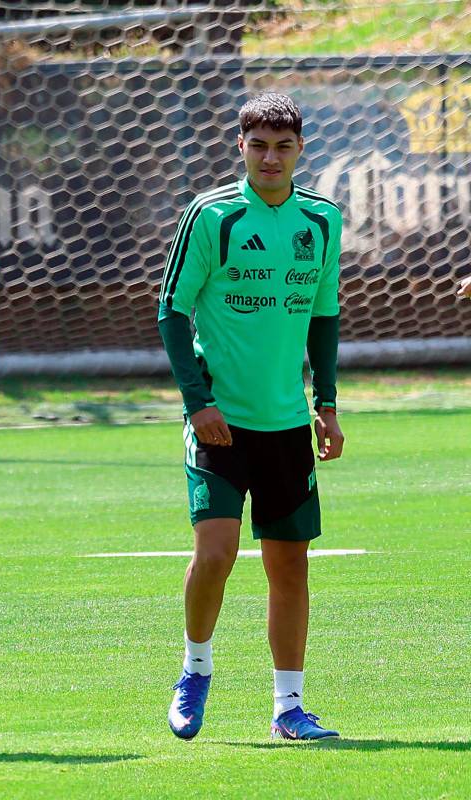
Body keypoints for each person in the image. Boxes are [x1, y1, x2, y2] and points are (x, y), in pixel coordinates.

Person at [158, 92, 344, 741]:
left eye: (283, 146)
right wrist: (197, 404)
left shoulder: (320, 222)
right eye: (259, 145)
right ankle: (195, 669)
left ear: (300, 150)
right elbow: (171, 312)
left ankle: (289, 709)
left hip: (287, 424)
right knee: (216, 553)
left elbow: (324, 319)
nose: (270, 157)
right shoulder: (211, 217)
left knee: (290, 566)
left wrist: (327, 405)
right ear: (241, 146)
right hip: (220, 424)